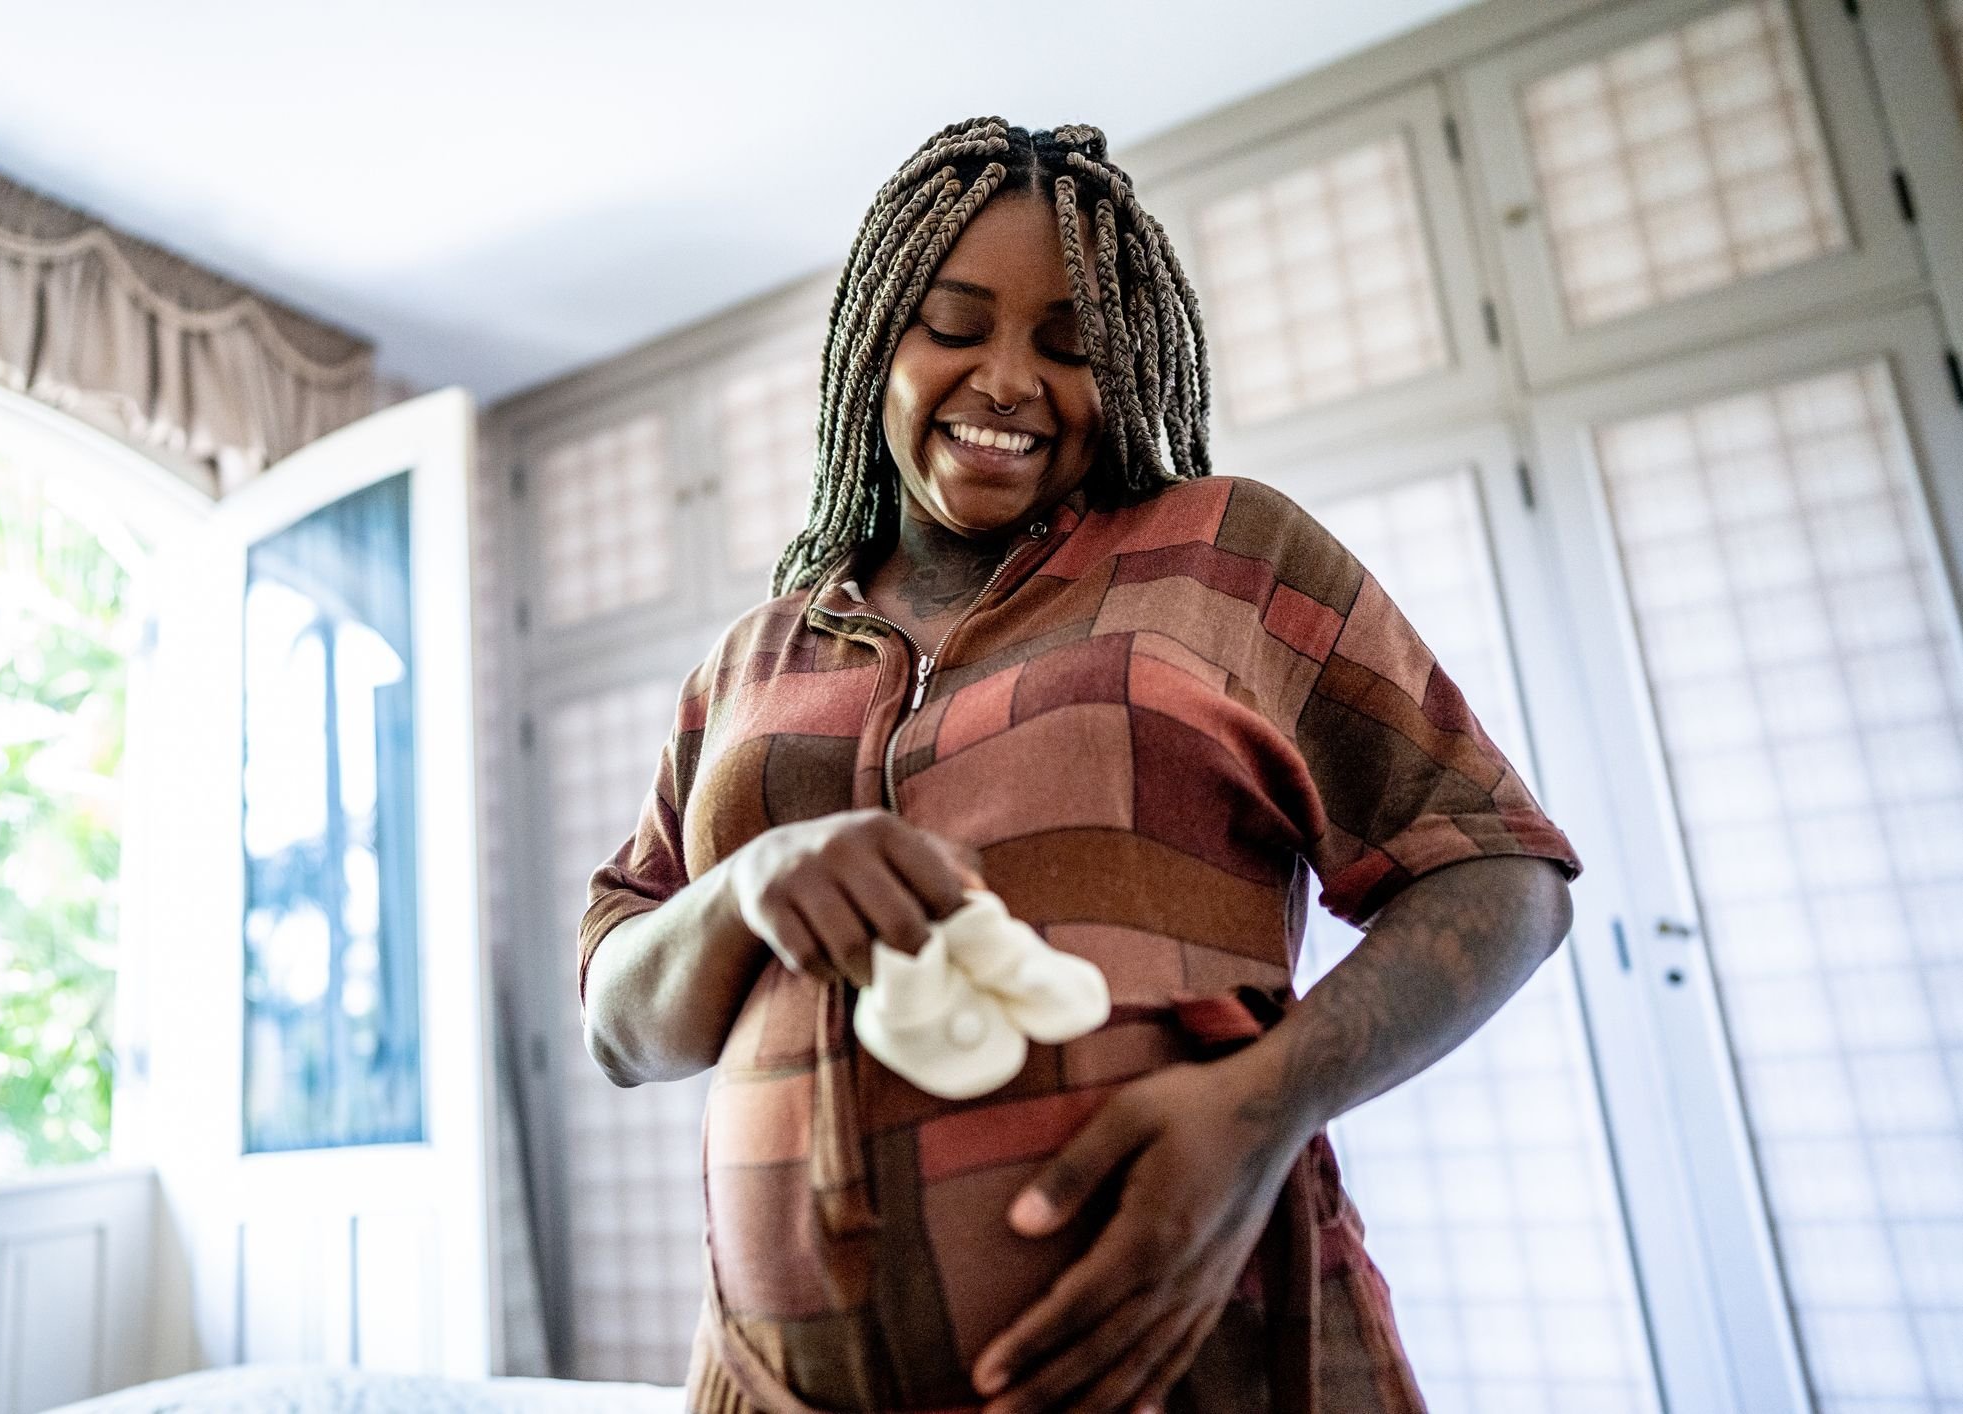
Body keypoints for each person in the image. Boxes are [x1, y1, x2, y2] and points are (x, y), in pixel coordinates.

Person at [578, 118, 1581, 1414]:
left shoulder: (1229, 554)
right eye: (953, 325)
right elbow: (619, 1026)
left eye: (1070, 347)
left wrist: (1256, 1106)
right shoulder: (747, 662)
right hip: (770, 1386)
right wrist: (743, 884)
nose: (1006, 380)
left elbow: (1501, 874)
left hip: (1202, 1356)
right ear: (873, 338)